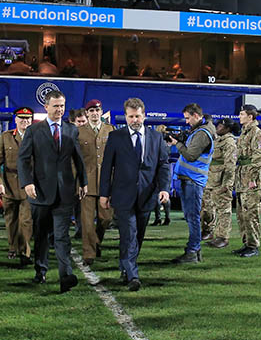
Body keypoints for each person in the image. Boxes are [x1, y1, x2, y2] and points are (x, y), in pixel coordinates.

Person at [17, 90, 87, 293]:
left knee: (62, 236)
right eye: (56, 106)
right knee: (41, 235)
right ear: (46, 107)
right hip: (39, 192)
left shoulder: (71, 130)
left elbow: (78, 158)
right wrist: (27, 182)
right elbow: (22, 159)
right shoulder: (33, 131)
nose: (60, 110)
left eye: (62, 106)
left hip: (65, 192)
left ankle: (66, 276)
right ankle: (41, 270)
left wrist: (83, 182)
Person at [99, 98, 171, 290]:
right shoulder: (116, 137)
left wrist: (164, 188)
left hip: (147, 196)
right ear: (125, 117)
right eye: (131, 116)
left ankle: (125, 266)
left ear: (144, 115)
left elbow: (163, 165)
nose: (134, 120)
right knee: (129, 234)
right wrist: (103, 194)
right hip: (122, 196)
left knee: (137, 236)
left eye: (137, 116)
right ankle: (133, 275)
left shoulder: (156, 138)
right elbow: (107, 167)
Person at [166, 104, 215, 263]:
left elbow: (191, 155)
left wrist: (177, 144)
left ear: (196, 115)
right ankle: (194, 251)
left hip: (193, 180)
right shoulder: (200, 130)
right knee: (191, 216)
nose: (186, 122)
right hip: (191, 180)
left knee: (192, 217)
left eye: (188, 118)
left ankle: (192, 251)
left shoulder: (202, 133)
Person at [0, 107, 34, 265]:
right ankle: (12, 247)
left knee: (26, 220)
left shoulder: (36, 137)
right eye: (21, 119)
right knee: (11, 220)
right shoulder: (6, 137)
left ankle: (25, 251)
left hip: (28, 185)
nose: (25, 121)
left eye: (27, 119)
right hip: (8, 185)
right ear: (15, 120)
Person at [77, 100, 114, 266]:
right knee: (86, 221)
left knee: (105, 218)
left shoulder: (110, 130)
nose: (94, 113)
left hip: (106, 182)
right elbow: (75, 160)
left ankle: (96, 242)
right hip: (86, 183)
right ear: (87, 113)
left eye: (97, 110)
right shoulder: (78, 132)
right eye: (91, 110)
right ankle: (89, 253)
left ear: (101, 112)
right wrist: (78, 181)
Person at [232, 105, 261, 258]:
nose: (239, 116)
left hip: (250, 179)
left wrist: (252, 178)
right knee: (242, 214)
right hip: (241, 177)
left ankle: (253, 245)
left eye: (242, 113)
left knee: (251, 213)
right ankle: (246, 243)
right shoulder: (244, 132)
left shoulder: (256, 133)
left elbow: (259, 158)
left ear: (250, 116)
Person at [204, 118, 237, 249]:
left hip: (221, 181)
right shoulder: (218, 140)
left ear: (228, 128)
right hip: (213, 179)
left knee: (224, 210)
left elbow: (230, 165)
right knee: (216, 208)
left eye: (221, 125)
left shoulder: (229, 142)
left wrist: (227, 184)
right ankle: (216, 235)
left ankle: (223, 237)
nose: (218, 127)